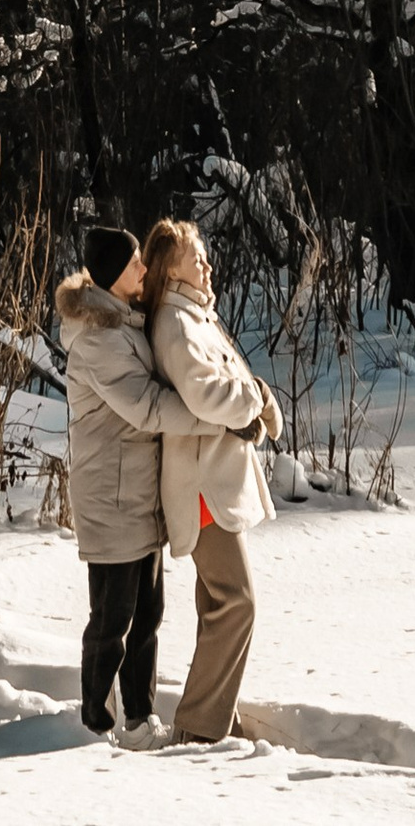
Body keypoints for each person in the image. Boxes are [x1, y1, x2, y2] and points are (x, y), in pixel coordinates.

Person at [137, 215, 282, 746]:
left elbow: (225, 384)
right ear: (170, 270)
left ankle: (217, 717)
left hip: (213, 480)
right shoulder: (175, 324)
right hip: (201, 487)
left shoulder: (195, 318)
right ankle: (199, 728)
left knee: (217, 604)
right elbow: (203, 393)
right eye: (196, 258)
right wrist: (256, 400)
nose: (207, 265)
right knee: (236, 601)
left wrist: (255, 399)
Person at [52, 222, 199, 741]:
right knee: (113, 621)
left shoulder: (126, 323)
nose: (144, 268)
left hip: (137, 495)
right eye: (136, 261)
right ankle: (96, 722)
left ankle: (139, 715)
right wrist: (213, 417)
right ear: (115, 275)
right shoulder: (98, 341)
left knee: (149, 613)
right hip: (110, 498)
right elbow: (147, 406)